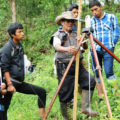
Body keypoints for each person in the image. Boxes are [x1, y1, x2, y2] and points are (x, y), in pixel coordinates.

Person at [50, 11, 98, 120]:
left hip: (78, 65)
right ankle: (66, 117)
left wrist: (82, 42)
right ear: (62, 22)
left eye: (72, 21)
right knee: (65, 92)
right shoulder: (57, 35)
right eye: (68, 21)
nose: (70, 23)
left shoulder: (76, 33)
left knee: (90, 81)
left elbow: (84, 48)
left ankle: (85, 107)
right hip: (64, 66)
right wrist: (67, 49)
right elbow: (57, 47)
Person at [0, 22, 46, 120]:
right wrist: (9, 85)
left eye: (22, 31)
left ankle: (43, 117)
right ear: (13, 34)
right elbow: (5, 68)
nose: (22, 33)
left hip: (19, 83)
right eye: (19, 32)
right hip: (9, 84)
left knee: (41, 92)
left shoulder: (20, 46)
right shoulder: (7, 49)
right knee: (3, 109)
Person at [89, 0, 119, 98]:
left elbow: (116, 33)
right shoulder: (91, 20)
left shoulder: (111, 17)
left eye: (96, 9)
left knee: (109, 72)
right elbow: (89, 35)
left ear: (100, 7)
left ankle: (117, 96)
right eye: (92, 10)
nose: (94, 12)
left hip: (108, 50)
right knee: (97, 73)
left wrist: (111, 45)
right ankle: (101, 97)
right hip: (95, 50)